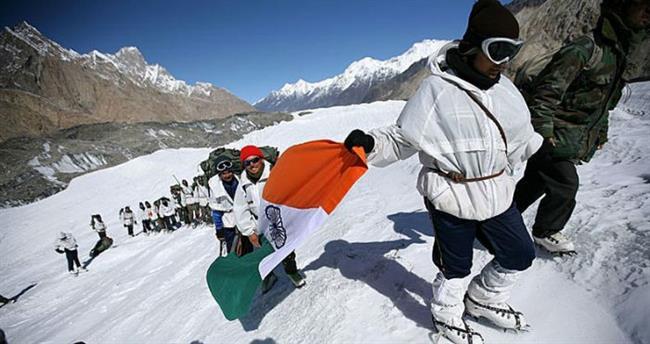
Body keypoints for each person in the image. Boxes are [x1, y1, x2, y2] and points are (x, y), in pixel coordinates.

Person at [344, 1, 541, 342]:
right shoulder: (436, 90)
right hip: (451, 195)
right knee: (456, 266)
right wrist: (369, 144)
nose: (503, 62)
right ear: (472, 45)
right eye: (497, 50)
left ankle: (485, 297)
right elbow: (402, 138)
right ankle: (446, 313)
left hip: (497, 191)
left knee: (521, 253)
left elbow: (521, 134)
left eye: (511, 51)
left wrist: (544, 149)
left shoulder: (505, 89)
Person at [513, 0, 650, 255]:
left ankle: (497, 222)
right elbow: (546, 93)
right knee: (565, 183)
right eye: (641, 4)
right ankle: (545, 231)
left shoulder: (618, 52)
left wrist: (601, 131)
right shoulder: (584, 49)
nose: (647, 13)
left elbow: (603, 102)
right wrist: (544, 132)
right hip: (553, 134)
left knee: (535, 182)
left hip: (570, 135)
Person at [233, 145, 306, 292]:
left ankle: (292, 271)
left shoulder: (274, 172)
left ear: (261, 159)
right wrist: (249, 231)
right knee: (263, 253)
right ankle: (269, 276)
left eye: (255, 160)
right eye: (247, 163)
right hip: (259, 224)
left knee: (286, 249)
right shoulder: (243, 183)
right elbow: (240, 208)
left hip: (278, 218)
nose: (252, 165)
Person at [208, 156, 239, 254]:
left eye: (229, 172)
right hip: (228, 222)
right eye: (224, 174)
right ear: (219, 175)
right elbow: (216, 211)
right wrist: (219, 229)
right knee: (233, 248)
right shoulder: (215, 187)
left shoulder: (239, 180)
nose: (227, 175)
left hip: (244, 218)